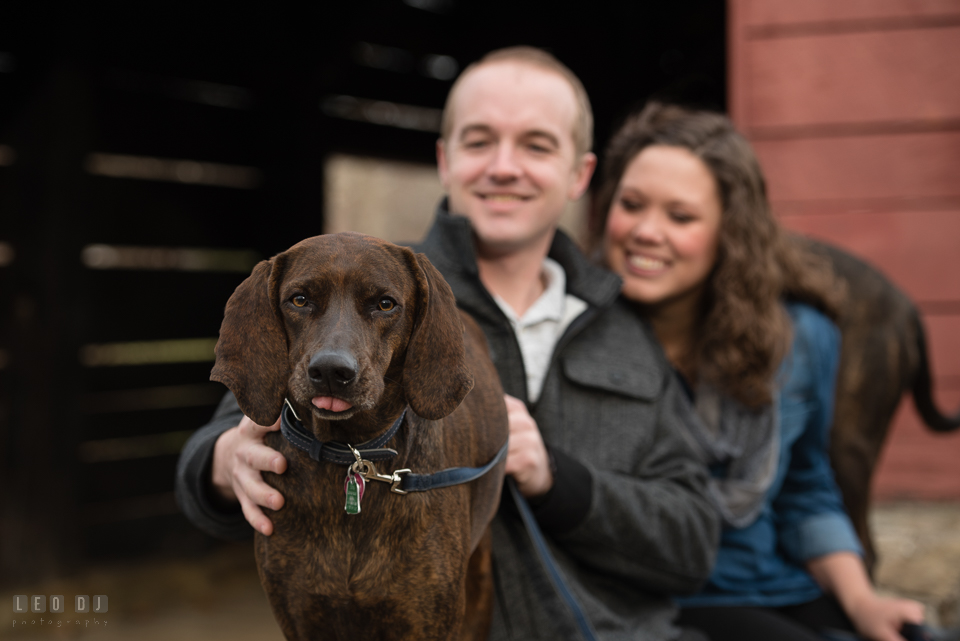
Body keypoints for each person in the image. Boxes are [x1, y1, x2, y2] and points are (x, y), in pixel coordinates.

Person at [176, 48, 720, 640]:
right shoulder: (379, 282)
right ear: (445, 159)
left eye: (537, 145)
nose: (505, 166)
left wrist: (560, 482)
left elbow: (693, 544)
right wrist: (221, 464)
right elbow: (229, 431)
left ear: (579, 174)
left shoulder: (625, 328)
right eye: (480, 140)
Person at [589, 102, 926, 641]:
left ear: (730, 230)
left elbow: (805, 488)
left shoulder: (801, 338)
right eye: (631, 205)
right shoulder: (582, 338)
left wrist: (863, 601)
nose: (646, 232)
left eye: (680, 216)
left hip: (778, 583)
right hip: (658, 600)